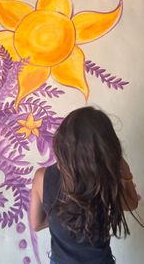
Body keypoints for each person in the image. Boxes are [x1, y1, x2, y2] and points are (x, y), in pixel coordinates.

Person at [29, 106, 138, 264]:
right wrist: (125, 172)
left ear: (63, 140)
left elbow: (36, 224)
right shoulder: (104, 176)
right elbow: (132, 203)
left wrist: (62, 217)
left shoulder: (42, 177)